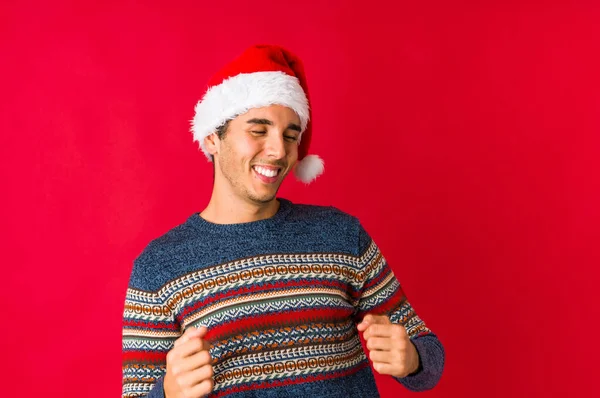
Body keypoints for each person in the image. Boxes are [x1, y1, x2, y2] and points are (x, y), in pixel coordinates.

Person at [122, 44, 445, 398]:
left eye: (291, 136)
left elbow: (427, 356)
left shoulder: (341, 235)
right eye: (258, 131)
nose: (279, 151)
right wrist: (167, 392)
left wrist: (412, 358)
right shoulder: (158, 268)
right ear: (213, 138)